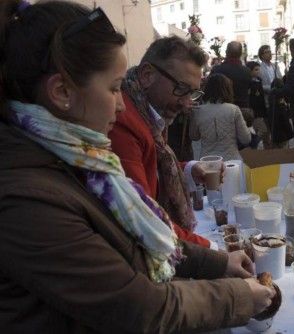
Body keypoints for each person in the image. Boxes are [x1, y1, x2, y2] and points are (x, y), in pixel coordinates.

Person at [0, 1, 274, 332]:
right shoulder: (27, 199)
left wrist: (217, 262)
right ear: (61, 92)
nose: (119, 105)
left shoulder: (78, 157)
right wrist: (239, 296)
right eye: (114, 88)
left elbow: (138, 237)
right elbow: (139, 306)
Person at [109, 36, 214, 248]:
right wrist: (212, 250)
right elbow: (144, 215)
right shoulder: (123, 122)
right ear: (147, 75)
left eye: (192, 93)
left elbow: (153, 168)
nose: (186, 104)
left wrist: (188, 170)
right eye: (182, 89)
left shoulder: (148, 110)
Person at [190, 73, 251, 160]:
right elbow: (246, 139)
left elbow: (194, 137)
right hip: (231, 160)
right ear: (227, 89)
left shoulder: (197, 111)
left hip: (207, 160)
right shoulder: (233, 109)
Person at [211, 41, 252, 109]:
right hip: (242, 108)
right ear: (241, 53)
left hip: (222, 108)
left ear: (226, 52)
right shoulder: (247, 71)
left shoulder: (217, 69)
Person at [246, 60, 270, 148]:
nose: (258, 71)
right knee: (262, 130)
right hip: (254, 112)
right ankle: (253, 143)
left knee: (265, 133)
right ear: (250, 71)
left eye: (258, 69)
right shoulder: (248, 83)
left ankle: (266, 149)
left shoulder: (259, 80)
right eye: (256, 70)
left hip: (262, 110)